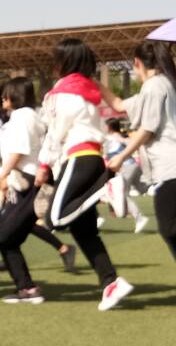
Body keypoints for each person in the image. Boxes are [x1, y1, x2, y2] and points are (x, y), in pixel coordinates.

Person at [101, 40, 176, 314]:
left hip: (172, 165)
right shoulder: (157, 87)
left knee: (170, 227)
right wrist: (94, 85)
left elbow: (147, 130)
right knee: (170, 232)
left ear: (137, 63)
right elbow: (117, 104)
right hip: (171, 165)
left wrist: (120, 156)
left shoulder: (154, 86)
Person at [33, 38, 133, 310]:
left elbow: (55, 133)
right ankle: (110, 281)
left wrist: (43, 166)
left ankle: (105, 189)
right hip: (94, 158)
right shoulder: (90, 88)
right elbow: (118, 107)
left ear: (63, 62)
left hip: (77, 158)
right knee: (84, 231)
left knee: (54, 218)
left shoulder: (59, 93)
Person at [0, 76, 75, 303]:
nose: (2, 98)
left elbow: (19, 150)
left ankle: (27, 289)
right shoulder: (29, 116)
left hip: (26, 181)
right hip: (33, 181)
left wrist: (2, 173)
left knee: (5, 237)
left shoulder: (22, 117)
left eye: (6, 94)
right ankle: (27, 287)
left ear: (14, 95)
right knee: (10, 237)